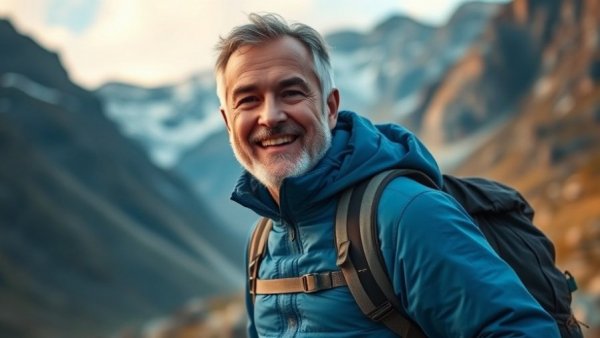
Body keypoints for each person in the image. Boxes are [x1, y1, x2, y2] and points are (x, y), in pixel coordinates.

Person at [214, 13, 561, 337]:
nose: (270, 116)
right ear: (228, 122)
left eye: (291, 92)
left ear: (330, 108)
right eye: (248, 100)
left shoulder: (406, 214)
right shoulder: (261, 241)